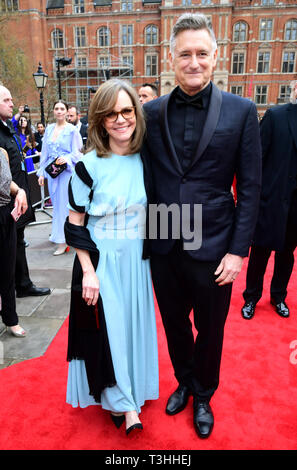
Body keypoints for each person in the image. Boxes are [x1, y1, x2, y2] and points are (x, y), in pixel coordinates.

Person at [141, 13, 262, 439]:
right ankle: (185, 380)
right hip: (164, 238)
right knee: (174, 323)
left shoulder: (243, 111)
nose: (194, 62)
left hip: (214, 243)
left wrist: (238, 250)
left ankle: (205, 394)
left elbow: (250, 187)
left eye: (202, 53)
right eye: (185, 54)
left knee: (210, 328)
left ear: (216, 56)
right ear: (171, 58)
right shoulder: (150, 113)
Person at [65, 78, 158, 435]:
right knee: (113, 331)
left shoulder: (146, 158)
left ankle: (132, 389)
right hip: (102, 259)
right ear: (100, 121)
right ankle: (125, 406)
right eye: (110, 114)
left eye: (126, 110)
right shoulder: (88, 166)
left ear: (136, 112)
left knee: (135, 327)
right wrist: (88, 271)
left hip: (139, 257)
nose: (120, 119)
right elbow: (74, 223)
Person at [241, 80, 297, 320]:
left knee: (287, 255)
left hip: (296, 207)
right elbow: (257, 160)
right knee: (260, 254)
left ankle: (278, 296)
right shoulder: (276, 116)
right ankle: (251, 298)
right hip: (271, 201)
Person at [0, 85, 50, 298]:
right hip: (7, 199)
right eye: (6, 100)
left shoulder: (6, 127)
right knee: (10, 247)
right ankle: (13, 289)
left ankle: (22, 284)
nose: (12, 104)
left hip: (17, 196)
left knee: (18, 242)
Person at [37, 100, 83, 256]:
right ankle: (60, 237)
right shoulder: (49, 129)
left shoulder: (72, 130)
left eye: (62, 108)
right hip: (52, 172)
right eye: (56, 108)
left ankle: (64, 241)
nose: (59, 111)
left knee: (65, 207)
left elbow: (78, 153)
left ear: (66, 111)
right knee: (56, 206)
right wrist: (41, 173)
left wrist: (68, 159)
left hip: (66, 173)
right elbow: (44, 153)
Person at [0, 147, 28, 337]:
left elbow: (7, 182)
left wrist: (20, 191)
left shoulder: (2, 152)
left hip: (4, 215)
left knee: (7, 270)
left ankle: (11, 319)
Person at [12, 107, 39, 172]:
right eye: (21, 120)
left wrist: (37, 152)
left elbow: (32, 147)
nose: (23, 122)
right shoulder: (16, 133)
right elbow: (12, 122)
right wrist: (19, 113)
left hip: (29, 161)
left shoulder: (29, 135)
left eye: (25, 120)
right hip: (21, 160)